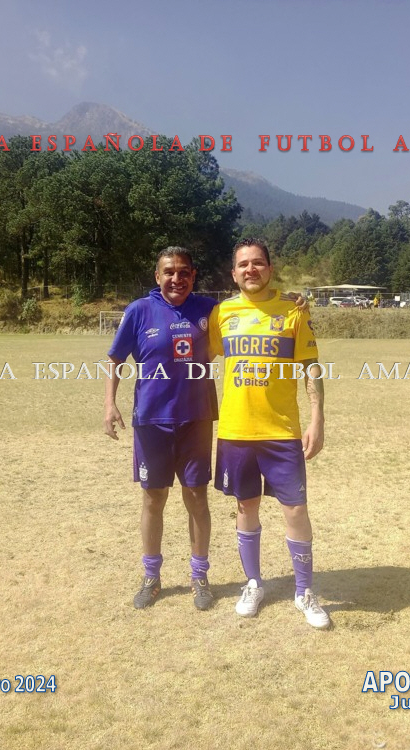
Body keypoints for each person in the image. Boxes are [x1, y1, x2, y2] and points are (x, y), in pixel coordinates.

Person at [208, 238, 330, 629]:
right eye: (243, 264)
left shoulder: (293, 310)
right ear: (233, 273)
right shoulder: (222, 312)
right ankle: (253, 584)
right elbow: (196, 354)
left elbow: (311, 367)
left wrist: (317, 419)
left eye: (258, 263)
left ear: (270, 269)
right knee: (246, 508)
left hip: (281, 431)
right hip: (236, 430)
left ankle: (304, 591)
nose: (251, 269)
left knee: (296, 509)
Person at [104, 248, 219, 611]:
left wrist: (290, 301)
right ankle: (151, 576)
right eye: (169, 272)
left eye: (184, 272)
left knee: (196, 496)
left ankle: (199, 576)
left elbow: (251, 312)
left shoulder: (210, 310)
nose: (176, 279)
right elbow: (115, 359)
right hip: (152, 421)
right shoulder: (139, 310)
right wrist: (109, 404)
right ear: (157, 276)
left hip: (196, 419)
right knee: (154, 498)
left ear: (193, 275)